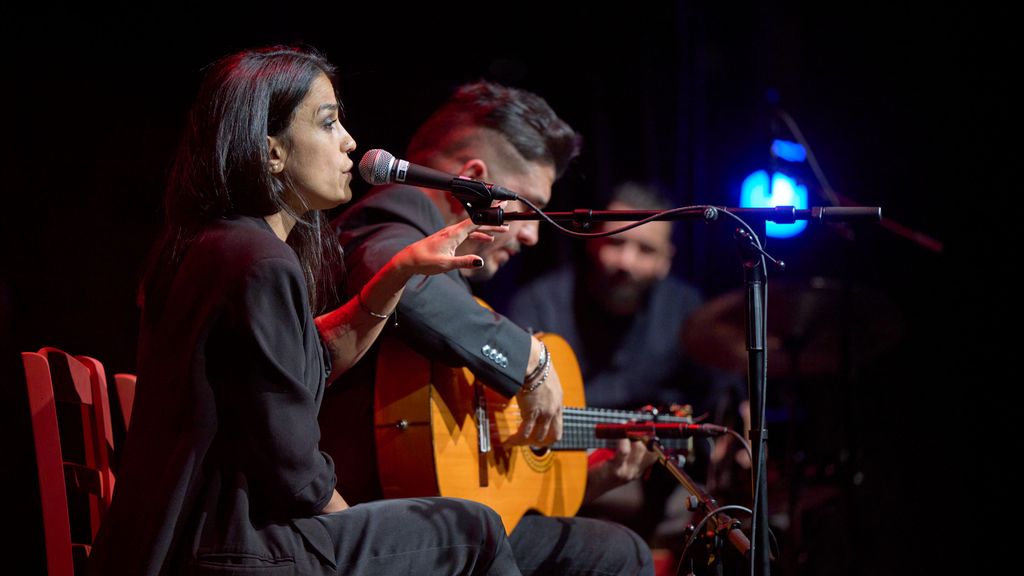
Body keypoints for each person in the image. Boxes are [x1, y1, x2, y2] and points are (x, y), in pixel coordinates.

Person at [87, 45, 524, 576]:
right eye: (328, 123)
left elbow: (305, 362)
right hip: (232, 549)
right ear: (271, 152)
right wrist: (353, 533)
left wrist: (400, 273)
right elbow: (293, 469)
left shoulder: (214, 246)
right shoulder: (259, 262)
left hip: (199, 539)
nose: (351, 142)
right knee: (472, 530)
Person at [321, 81, 654, 575]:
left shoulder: (448, 267)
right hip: (362, 525)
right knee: (617, 553)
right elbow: (403, 283)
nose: (533, 233)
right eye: (528, 208)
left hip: (415, 508)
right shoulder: (389, 217)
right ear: (473, 180)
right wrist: (531, 361)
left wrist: (583, 478)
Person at [507, 182, 746, 543]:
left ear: (666, 260)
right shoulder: (539, 304)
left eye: (645, 249)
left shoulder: (685, 310)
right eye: (616, 242)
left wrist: (736, 432)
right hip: (555, 476)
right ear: (592, 241)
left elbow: (725, 393)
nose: (626, 262)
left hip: (658, 483)